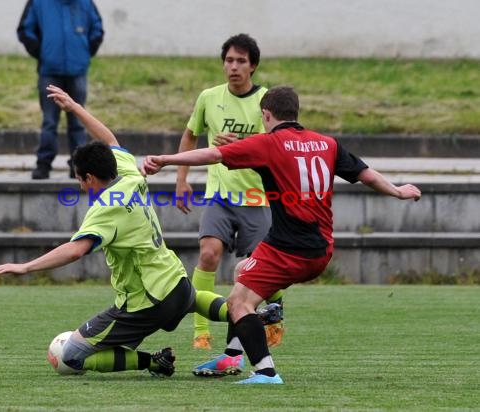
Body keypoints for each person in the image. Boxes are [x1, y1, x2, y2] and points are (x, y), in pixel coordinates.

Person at [0, 85, 280, 378]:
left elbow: (76, 250)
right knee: (192, 301)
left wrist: (26, 266)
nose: (80, 186)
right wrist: (75, 107)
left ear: (90, 178)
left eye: (79, 180)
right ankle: (249, 313)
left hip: (148, 302)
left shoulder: (105, 209)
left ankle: (155, 362)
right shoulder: (127, 172)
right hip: (174, 279)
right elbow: (109, 139)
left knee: (71, 356)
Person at [142, 85, 422, 384]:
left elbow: (214, 153)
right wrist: (396, 191)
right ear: (296, 112)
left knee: (239, 304)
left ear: (266, 114)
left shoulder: (269, 143)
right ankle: (233, 355)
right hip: (318, 245)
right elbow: (364, 173)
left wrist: (165, 159)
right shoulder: (326, 143)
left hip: (291, 250)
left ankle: (265, 371)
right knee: (242, 272)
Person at [175, 33, 284, 350]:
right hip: (219, 195)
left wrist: (239, 146)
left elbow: (277, 146)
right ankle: (201, 331)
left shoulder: (267, 100)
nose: (233, 67)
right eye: (229, 60)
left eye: (240, 61)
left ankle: (274, 318)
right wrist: (182, 180)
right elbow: (190, 136)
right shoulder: (209, 97)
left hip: (257, 196)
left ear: (253, 67)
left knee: (261, 267)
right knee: (208, 254)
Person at [17, 0, 104, 179]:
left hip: (77, 72)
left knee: (78, 123)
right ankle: (43, 165)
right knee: (49, 122)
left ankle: (78, 167)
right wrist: (41, 53)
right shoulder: (38, 3)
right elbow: (25, 30)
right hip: (50, 72)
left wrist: (84, 52)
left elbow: (97, 29)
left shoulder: (86, 3)